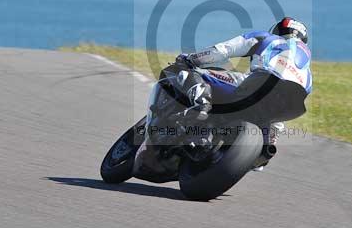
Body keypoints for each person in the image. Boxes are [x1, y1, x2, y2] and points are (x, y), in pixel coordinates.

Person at [133, 17, 312, 180]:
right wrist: (270, 140)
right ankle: (264, 149)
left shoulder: (266, 38)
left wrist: (192, 59)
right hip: (293, 107)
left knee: (188, 72)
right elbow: (282, 103)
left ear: (278, 30)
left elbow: (223, 50)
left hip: (258, 83)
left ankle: (201, 104)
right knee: (269, 133)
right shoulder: (307, 72)